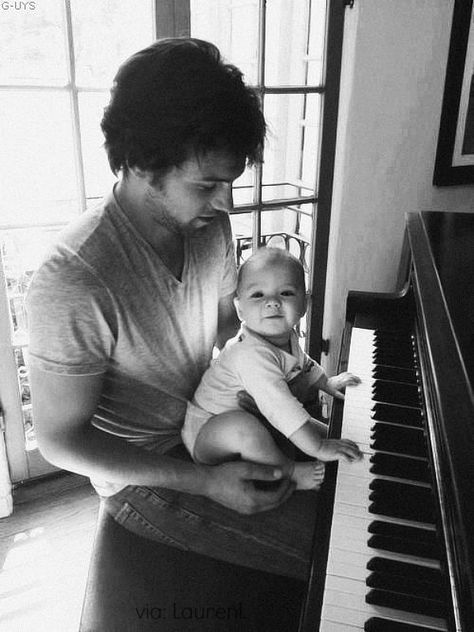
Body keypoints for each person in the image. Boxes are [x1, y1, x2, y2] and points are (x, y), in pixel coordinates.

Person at [26, 37, 346, 581]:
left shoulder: (207, 226)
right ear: (140, 164)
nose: (226, 204)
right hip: (147, 476)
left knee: (353, 485)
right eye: (206, 185)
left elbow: (222, 326)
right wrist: (208, 483)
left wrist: (281, 357)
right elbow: (60, 440)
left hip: (212, 421)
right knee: (341, 548)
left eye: (230, 183)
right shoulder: (74, 278)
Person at [182, 248, 362, 491]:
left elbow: (303, 364)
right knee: (247, 427)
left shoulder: (285, 338)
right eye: (257, 295)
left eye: (286, 293)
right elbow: (281, 409)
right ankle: (288, 472)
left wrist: (326, 383)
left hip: (250, 419)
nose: (272, 302)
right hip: (208, 432)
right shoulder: (250, 355)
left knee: (306, 423)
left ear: (304, 305)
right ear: (240, 309)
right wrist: (318, 449)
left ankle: (334, 439)